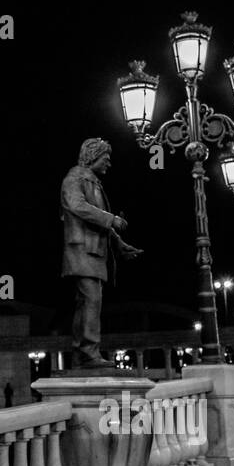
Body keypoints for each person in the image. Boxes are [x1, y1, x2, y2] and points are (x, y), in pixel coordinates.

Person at [61, 138, 142, 367]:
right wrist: (112, 219)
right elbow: (77, 207)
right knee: (91, 300)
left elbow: (98, 222)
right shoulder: (74, 180)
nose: (109, 163)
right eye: (106, 158)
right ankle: (89, 352)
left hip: (93, 251)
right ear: (92, 157)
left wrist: (118, 244)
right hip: (81, 250)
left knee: (85, 302)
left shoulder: (92, 182)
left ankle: (82, 352)